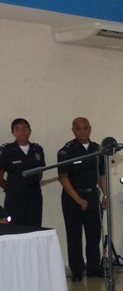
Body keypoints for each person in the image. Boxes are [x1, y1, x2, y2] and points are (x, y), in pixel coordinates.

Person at [57, 117, 107, 282]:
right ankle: (77, 270)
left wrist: (105, 194)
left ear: (90, 128)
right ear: (73, 130)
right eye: (79, 129)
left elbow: (102, 175)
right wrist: (78, 199)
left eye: (85, 128)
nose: (83, 132)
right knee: (74, 235)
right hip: (73, 197)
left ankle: (94, 268)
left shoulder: (97, 149)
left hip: (92, 195)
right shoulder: (66, 151)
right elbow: (63, 177)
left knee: (94, 234)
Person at [0, 118, 46, 227]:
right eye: (18, 129)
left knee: (34, 228)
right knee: (15, 228)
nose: (22, 132)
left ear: (30, 130)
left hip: (34, 196)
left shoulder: (37, 149)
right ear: (13, 132)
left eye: (25, 128)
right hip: (14, 198)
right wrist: (13, 188)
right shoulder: (7, 150)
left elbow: (39, 173)